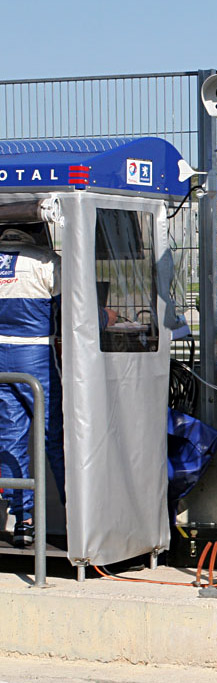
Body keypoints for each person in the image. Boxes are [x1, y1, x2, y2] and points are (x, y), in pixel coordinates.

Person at [0, 227, 67, 547]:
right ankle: (76, 516)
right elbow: (73, 310)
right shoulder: (47, 261)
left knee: (10, 440)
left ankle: (23, 522)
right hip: (35, 354)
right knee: (54, 438)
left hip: (1, 356)